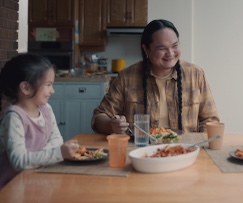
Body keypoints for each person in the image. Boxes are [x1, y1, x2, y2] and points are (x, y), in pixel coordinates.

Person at [92, 19, 219, 135]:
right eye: (162, 48)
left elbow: (211, 120)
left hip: (185, 151)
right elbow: (99, 116)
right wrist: (112, 125)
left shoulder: (195, 74)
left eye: (175, 46)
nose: (170, 53)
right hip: (140, 151)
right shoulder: (126, 77)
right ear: (146, 50)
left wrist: (199, 145)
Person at [0, 53, 79, 189]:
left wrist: (55, 151)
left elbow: (57, 140)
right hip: (13, 187)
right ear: (26, 88)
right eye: (48, 85)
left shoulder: (46, 109)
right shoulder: (14, 117)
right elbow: (19, 161)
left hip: (38, 179)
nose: (52, 91)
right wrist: (58, 153)